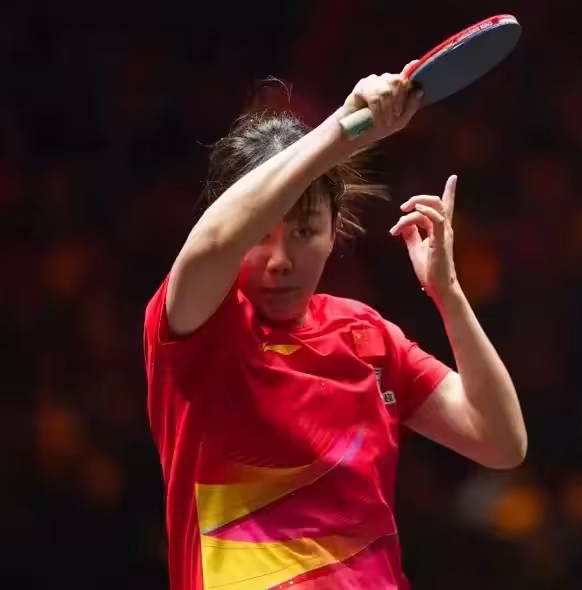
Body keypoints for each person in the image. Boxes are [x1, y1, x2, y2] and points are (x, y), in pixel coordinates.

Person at [142, 62, 527, 590]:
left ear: (333, 229)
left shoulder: (366, 336)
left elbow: (501, 441)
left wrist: (449, 293)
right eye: (262, 235)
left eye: (304, 232)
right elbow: (212, 243)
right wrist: (345, 128)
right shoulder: (196, 326)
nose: (281, 261)